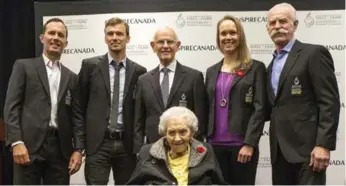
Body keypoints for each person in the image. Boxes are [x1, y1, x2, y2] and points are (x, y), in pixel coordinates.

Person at [266, 3, 340, 185]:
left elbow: (329, 102)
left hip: (308, 152)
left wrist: (323, 144)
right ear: (267, 28)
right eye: (272, 23)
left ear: (295, 24)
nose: (277, 26)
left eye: (283, 21)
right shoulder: (270, 65)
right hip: (279, 152)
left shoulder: (313, 53)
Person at [4, 18, 84, 184]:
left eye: (60, 35)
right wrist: (16, 142)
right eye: (51, 33)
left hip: (60, 149)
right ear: (42, 37)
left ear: (65, 42)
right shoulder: (24, 67)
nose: (55, 37)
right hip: (28, 146)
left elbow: (77, 117)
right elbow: (11, 107)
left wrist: (78, 149)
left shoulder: (72, 78)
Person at [73, 17, 147, 185]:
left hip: (127, 146)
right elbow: (78, 108)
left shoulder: (139, 72)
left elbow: (141, 112)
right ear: (105, 38)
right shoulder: (89, 66)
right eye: (110, 34)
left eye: (119, 33)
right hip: (98, 144)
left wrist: (139, 147)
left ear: (128, 38)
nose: (115, 37)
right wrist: (79, 145)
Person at [205, 15, 267, 185]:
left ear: (240, 36)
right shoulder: (211, 71)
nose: (228, 37)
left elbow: (260, 109)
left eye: (233, 32)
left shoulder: (255, 68)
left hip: (242, 146)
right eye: (223, 33)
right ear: (218, 38)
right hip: (214, 146)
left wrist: (250, 143)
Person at [133, 27, 208, 154]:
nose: (165, 46)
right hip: (153, 149)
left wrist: (196, 148)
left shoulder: (194, 77)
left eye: (170, 42)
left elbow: (200, 117)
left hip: (185, 148)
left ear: (178, 45)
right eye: (161, 42)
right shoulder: (143, 80)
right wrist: (139, 150)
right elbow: (138, 121)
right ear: (153, 46)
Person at [127, 106, 225, 185]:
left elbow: (219, 183)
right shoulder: (147, 152)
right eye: (171, 132)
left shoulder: (205, 150)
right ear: (164, 134)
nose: (177, 138)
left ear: (192, 133)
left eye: (183, 132)